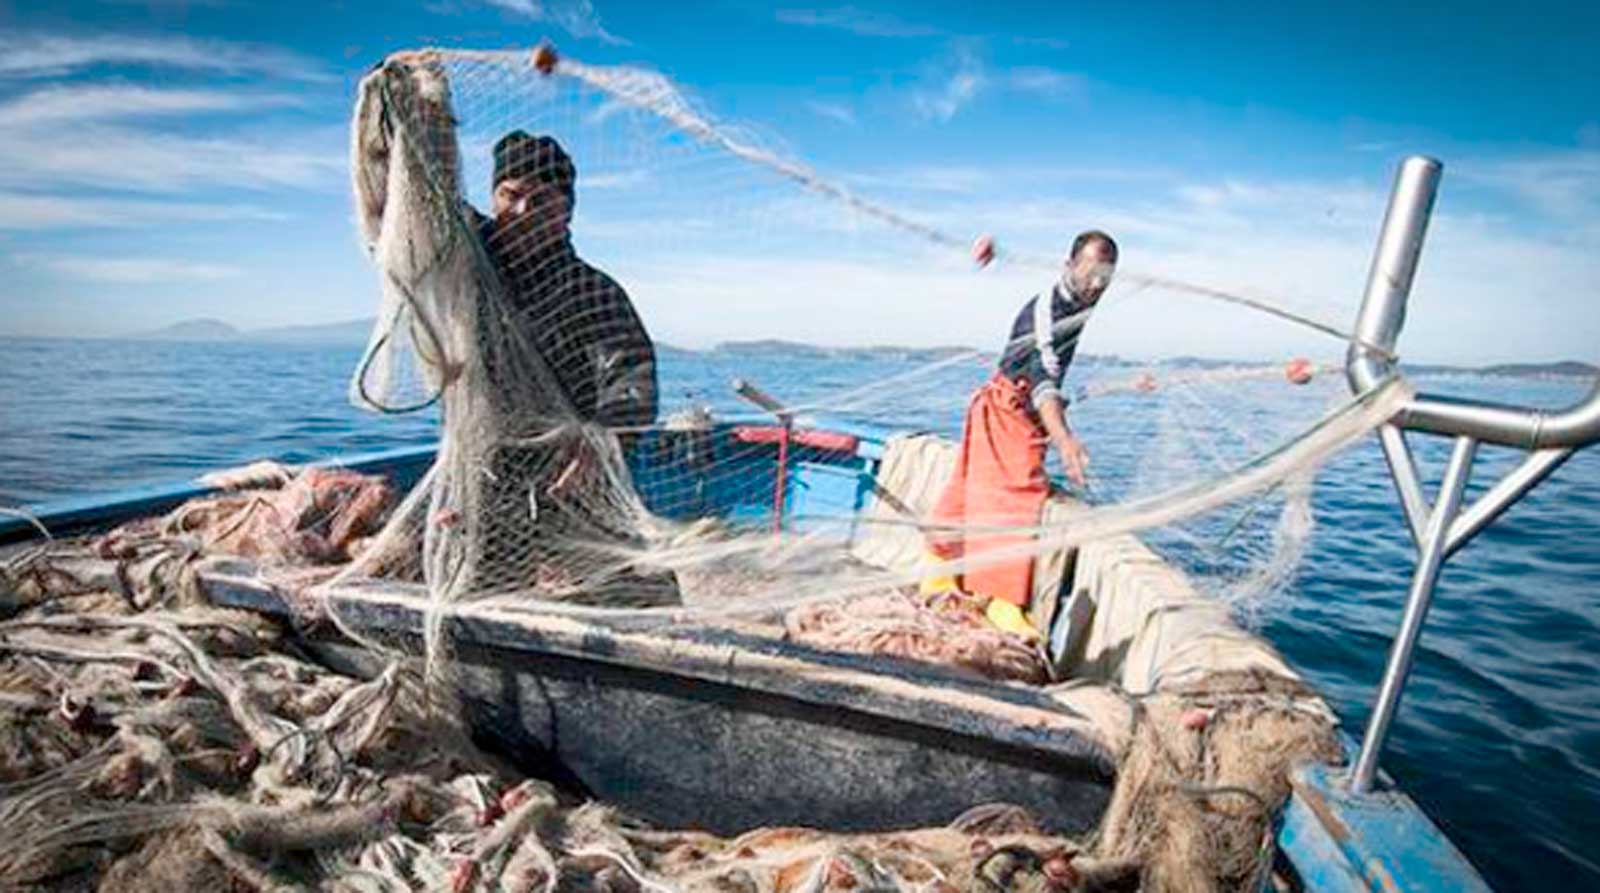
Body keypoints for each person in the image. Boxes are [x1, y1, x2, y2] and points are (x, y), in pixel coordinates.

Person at [923, 230, 1118, 636]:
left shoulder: (1081, 299)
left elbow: (1053, 382)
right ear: (1070, 266)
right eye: (1092, 273)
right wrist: (1064, 440)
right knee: (1017, 492)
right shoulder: (1048, 310)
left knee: (970, 485)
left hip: (1022, 406)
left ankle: (940, 569)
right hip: (1008, 406)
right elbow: (1044, 378)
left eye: (1107, 276)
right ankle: (1002, 601)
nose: (1098, 284)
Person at [476, 130, 659, 430]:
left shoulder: (595, 292)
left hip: (563, 455)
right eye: (511, 195)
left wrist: (599, 442)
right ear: (494, 199)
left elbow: (632, 385)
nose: (523, 211)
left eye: (541, 199)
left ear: (567, 211)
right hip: (476, 450)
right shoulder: (464, 255)